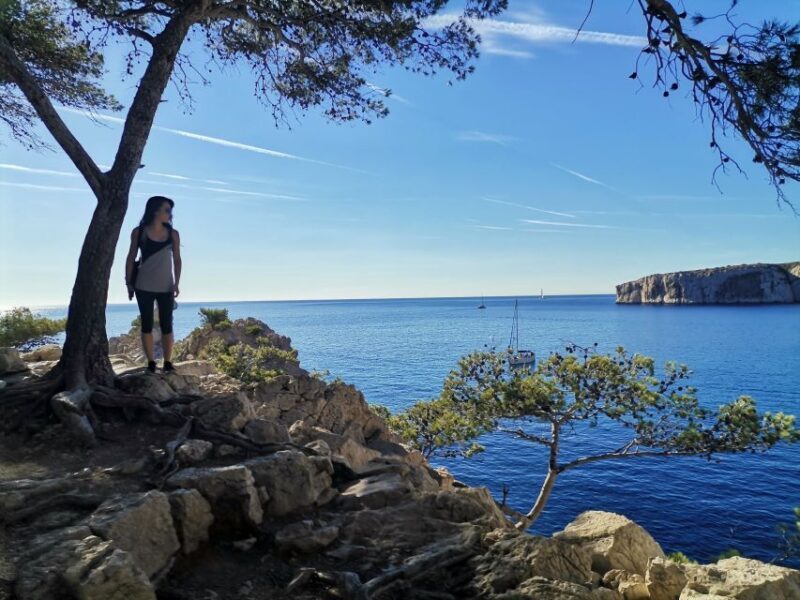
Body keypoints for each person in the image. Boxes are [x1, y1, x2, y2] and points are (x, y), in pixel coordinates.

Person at [125, 196, 182, 373]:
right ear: (155, 210)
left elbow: (178, 260)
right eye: (167, 210)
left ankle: (167, 362)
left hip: (166, 287)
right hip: (143, 285)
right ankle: (150, 363)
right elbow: (130, 257)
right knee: (147, 325)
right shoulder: (139, 232)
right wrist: (128, 282)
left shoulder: (173, 234)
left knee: (167, 325)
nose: (170, 214)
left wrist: (176, 284)